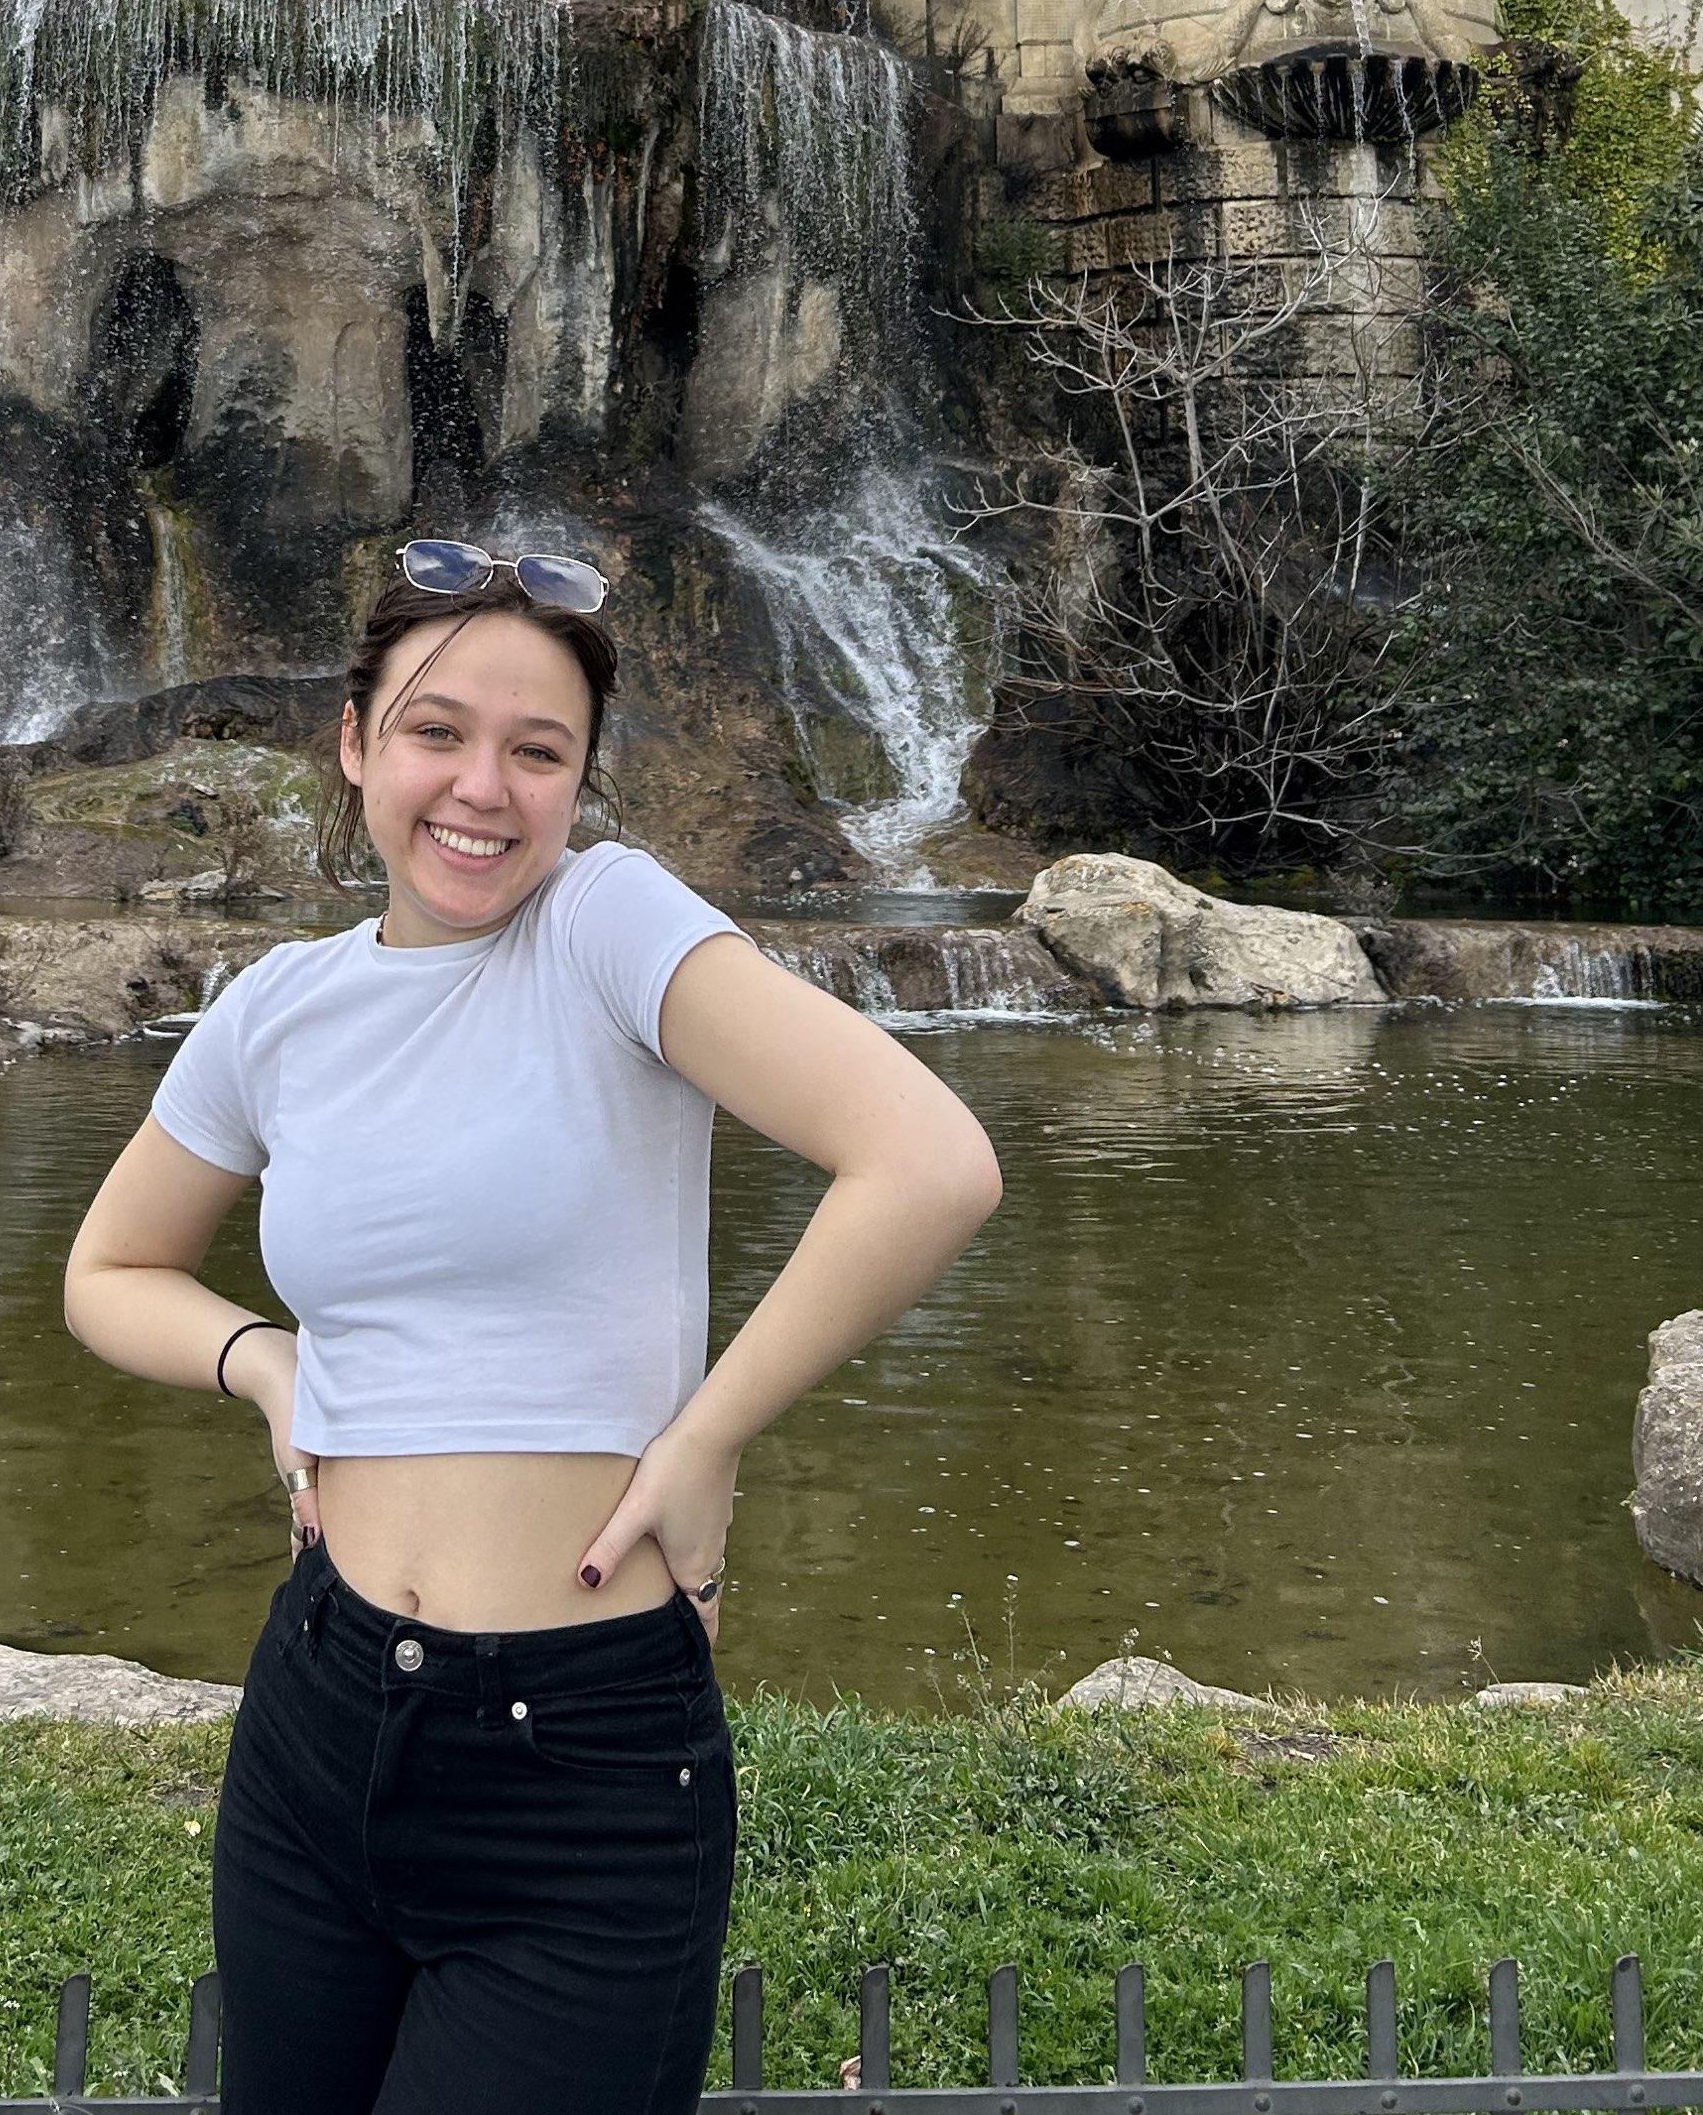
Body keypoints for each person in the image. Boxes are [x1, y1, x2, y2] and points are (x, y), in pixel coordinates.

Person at [64, 545, 1001, 2115]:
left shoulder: (609, 926)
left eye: (538, 750)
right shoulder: (275, 1009)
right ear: (356, 743)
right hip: (318, 1706)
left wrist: (705, 1440)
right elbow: (111, 1270)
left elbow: (930, 1163)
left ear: (580, 782)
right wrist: (266, 1360)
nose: (481, 788)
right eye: (437, 732)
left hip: (578, 1751)